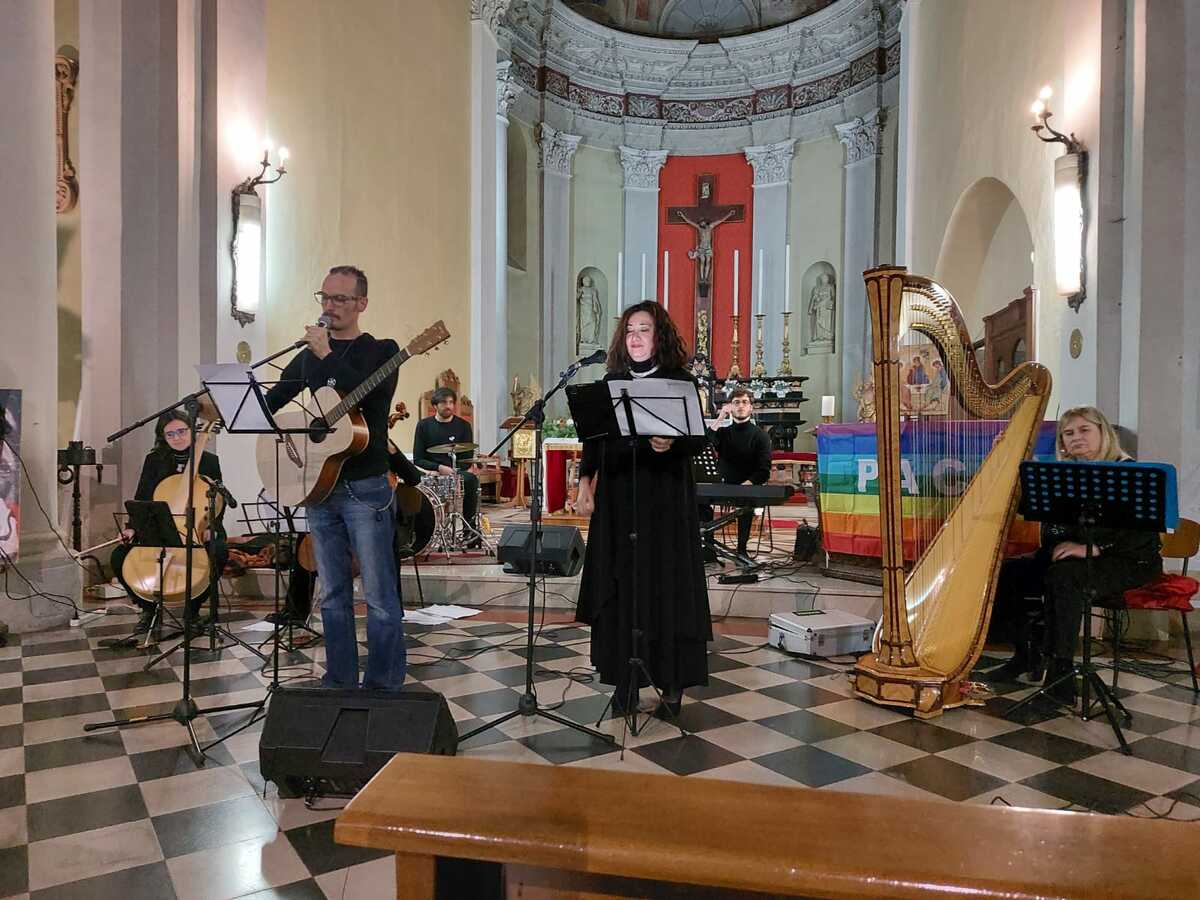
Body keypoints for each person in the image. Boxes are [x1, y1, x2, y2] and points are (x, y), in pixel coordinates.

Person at [264, 264, 407, 691]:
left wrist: (327, 354)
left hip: (366, 486)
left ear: (362, 303)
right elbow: (273, 401)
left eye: (340, 299)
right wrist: (230, 403)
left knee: (379, 596)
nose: (330, 306)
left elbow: (367, 393)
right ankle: (340, 677)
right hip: (318, 486)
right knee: (331, 593)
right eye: (325, 298)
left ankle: (383, 683)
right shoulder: (307, 355)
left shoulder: (382, 350)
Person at [575, 300, 712, 718]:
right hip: (618, 499)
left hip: (665, 502)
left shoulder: (679, 381)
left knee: (664, 587)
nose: (635, 337)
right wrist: (585, 485)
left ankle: (671, 684)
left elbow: (698, 439)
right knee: (621, 586)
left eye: (644, 329)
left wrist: (672, 441)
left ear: (660, 336)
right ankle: (624, 682)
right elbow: (595, 441)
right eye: (630, 330)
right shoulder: (611, 382)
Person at [987, 406, 1162, 703]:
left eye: (1084, 430)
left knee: (1064, 578)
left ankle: (1061, 677)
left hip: (1128, 559)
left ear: (1103, 432)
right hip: (1070, 555)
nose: (1076, 438)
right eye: (1068, 433)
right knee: (1007, 574)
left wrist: (1094, 548)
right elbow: (1027, 507)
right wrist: (1004, 460)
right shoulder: (1063, 474)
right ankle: (1025, 654)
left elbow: (1142, 538)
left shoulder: (1128, 469)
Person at [109, 408, 227, 634]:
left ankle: (193, 611)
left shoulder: (210, 461)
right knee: (119, 556)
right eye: (170, 434)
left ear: (192, 431)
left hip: (197, 528)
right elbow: (143, 496)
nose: (177, 438)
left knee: (218, 550)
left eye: (181, 431)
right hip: (159, 527)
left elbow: (217, 501)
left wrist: (211, 526)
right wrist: (132, 528)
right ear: (162, 437)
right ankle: (147, 608)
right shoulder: (154, 460)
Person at [700, 386, 773, 560]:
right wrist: (721, 416)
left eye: (745, 402)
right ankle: (709, 548)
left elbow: (763, 470)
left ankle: (741, 550)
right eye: (736, 402)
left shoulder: (761, 436)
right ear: (731, 406)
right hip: (722, 485)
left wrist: (745, 486)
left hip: (746, 486)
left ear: (751, 407)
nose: (740, 406)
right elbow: (707, 441)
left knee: (746, 504)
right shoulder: (724, 432)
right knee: (699, 501)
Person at [412, 387, 479, 533]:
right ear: (435, 405)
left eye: (450, 402)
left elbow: (467, 457)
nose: (448, 406)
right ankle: (425, 531)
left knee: (471, 479)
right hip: (433, 472)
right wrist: (438, 468)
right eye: (443, 402)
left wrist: (455, 471)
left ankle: (470, 530)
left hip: (457, 472)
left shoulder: (464, 426)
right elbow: (418, 459)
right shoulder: (423, 426)